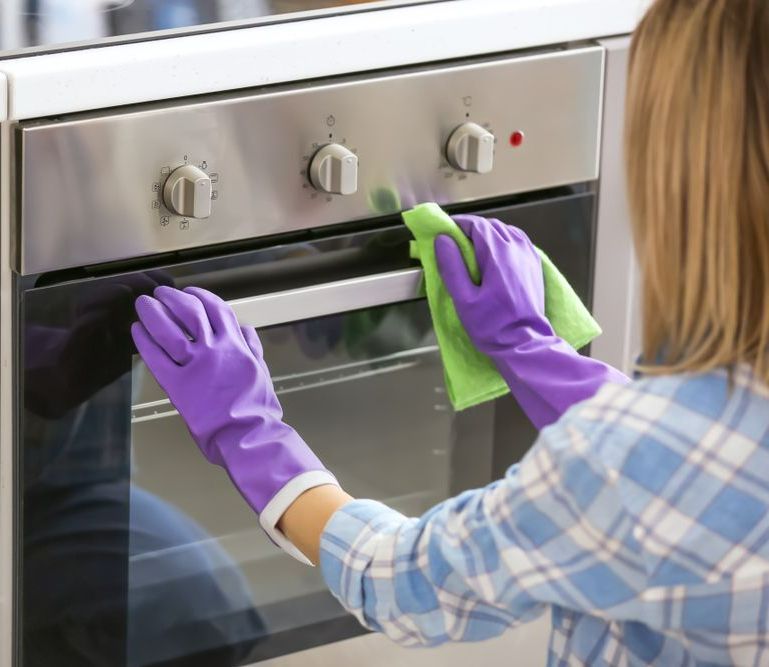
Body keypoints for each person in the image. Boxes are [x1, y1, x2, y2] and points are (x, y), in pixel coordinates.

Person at [131, 0, 769, 663]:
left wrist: (250, 434)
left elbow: (402, 580)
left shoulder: (633, 466)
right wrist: (535, 350)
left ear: (691, 178)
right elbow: (678, 459)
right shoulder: (674, 454)